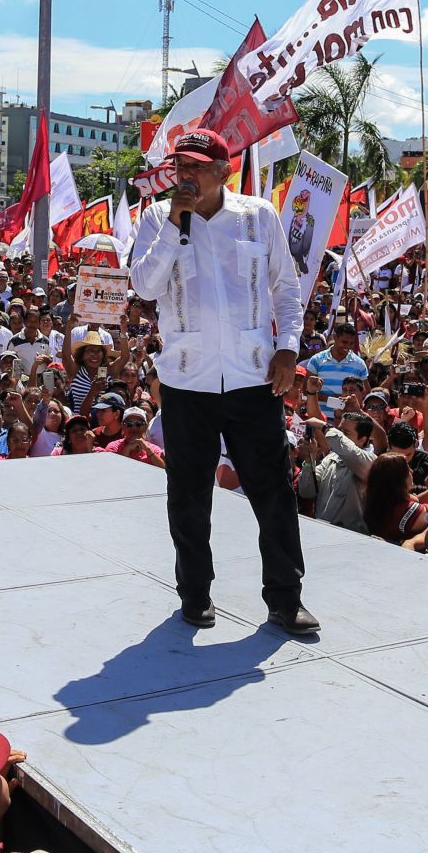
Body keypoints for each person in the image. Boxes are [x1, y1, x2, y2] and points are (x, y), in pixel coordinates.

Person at [129, 128, 315, 636]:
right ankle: (195, 594)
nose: (183, 177)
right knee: (188, 495)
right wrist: (173, 223)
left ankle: (284, 599)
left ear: (222, 171)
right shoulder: (154, 219)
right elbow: (144, 286)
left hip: (254, 379)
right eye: (178, 168)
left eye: (194, 167)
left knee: (273, 492)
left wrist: (288, 349)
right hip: (188, 382)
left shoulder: (258, 217)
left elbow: (286, 287)